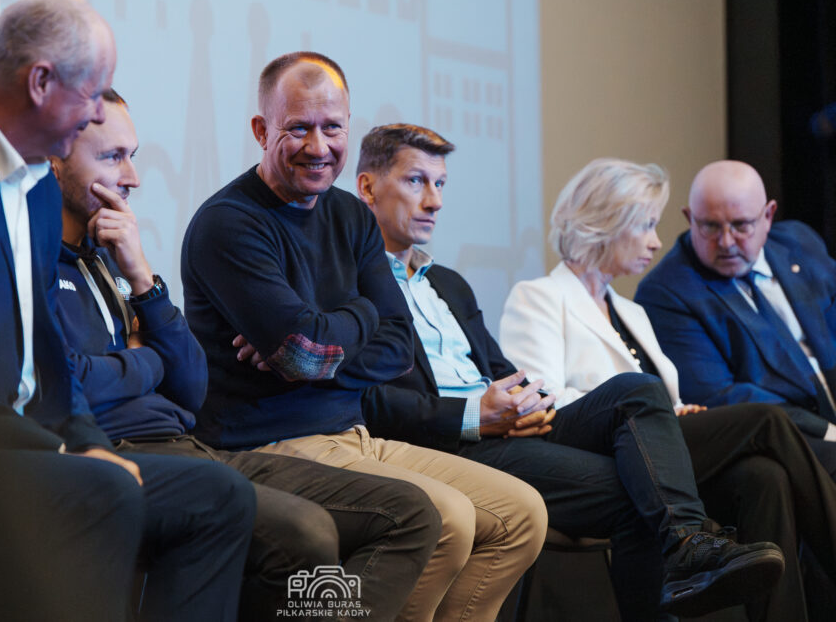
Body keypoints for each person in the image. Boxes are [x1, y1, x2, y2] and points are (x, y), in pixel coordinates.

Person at [0, 0, 255, 621]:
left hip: (28, 444)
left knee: (220, 498)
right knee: (105, 491)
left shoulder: (38, 184)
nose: (95, 114)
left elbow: (49, 355)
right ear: (40, 82)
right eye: (92, 96)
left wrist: (86, 439)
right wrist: (60, 452)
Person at [355, 124, 789, 620]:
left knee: (639, 390)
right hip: (452, 443)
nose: (434, 200)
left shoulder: (449, 284)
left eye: (440, 184)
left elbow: (504, 371)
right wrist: (475, 415)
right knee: (641, 489)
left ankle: (689, 544)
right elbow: (369, 401)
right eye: (416, 181)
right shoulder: (352, 282)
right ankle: (688, 548)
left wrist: (529, 401)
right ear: (368, 187)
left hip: (513, 429)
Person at [182, 51, 547, 621]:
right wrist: (357, 315)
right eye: (298, 128)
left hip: (355, 434)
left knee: (523, 513)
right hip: (268, 444)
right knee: (446, 517)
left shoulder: (351, 215)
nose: (318, 146)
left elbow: (395, 348)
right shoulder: (228, 223)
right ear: (261, 130)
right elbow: (309, 352)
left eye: (332, 128)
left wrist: (314, 344)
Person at [50, 88, 441, 621]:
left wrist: (143, 279)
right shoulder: (34, 260)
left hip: (187, 445)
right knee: (306, 532)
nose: (133, 177)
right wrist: (150, 361)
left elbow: (191, 386)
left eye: (132, 156)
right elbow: (67, 380)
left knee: (412, 513)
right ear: (55, 158)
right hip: (118, 452)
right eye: (112, 157)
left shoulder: (113, 256)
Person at [500, 157, 836, 622]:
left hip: (659, 449)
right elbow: (541, 403)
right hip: (594, 453)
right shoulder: (537, 297)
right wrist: (650, 413)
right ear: (606, 224)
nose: (657, 241)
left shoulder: (632, 313)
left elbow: (662, 401)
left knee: (765, 477)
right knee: (768, 419)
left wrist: (677, 409)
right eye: (646, 225)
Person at [635, 160, 836, 477]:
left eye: (741, 225)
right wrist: (828, 430)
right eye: (710, 226)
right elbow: (721, 396)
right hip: (784, 436)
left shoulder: (799, 242)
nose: (726, 242)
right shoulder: (666, 292)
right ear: (689, 219)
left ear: (768, 215)